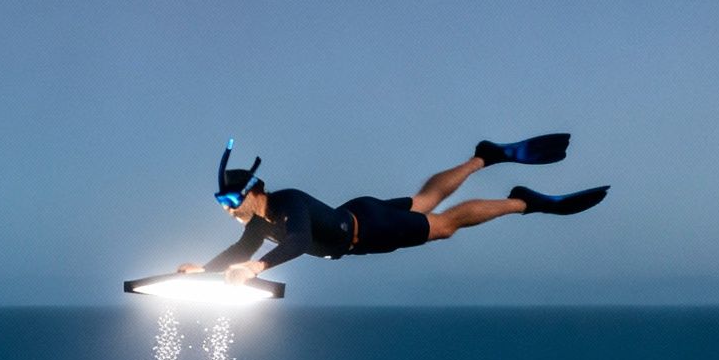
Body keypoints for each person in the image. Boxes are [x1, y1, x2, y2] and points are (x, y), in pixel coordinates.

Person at [179, 136, 609, 283]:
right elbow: (240, 250)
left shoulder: (287, 203)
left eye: (231, 200)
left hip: (371, 229)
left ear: (254, 191)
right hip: (359, 215)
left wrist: (257, 269)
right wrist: (206, 269)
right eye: (221, 203)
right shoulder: (260, 222)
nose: (228, 210)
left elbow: (299, 239)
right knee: (424, 202)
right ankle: (485, 156)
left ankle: (523, 201)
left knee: (444, 224)